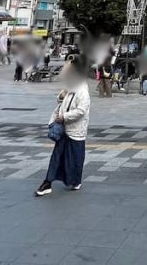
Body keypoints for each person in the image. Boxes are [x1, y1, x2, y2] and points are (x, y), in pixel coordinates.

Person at [35, 61, 91, 197]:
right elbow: (62, 101)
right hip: (65, 129)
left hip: (76, 130)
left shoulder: (83, 90)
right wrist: (61, 95)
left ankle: (75, 180)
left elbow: (81, 111)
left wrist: (64, 117)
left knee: (76, 158)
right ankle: (48, 182)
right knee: (57, 156)